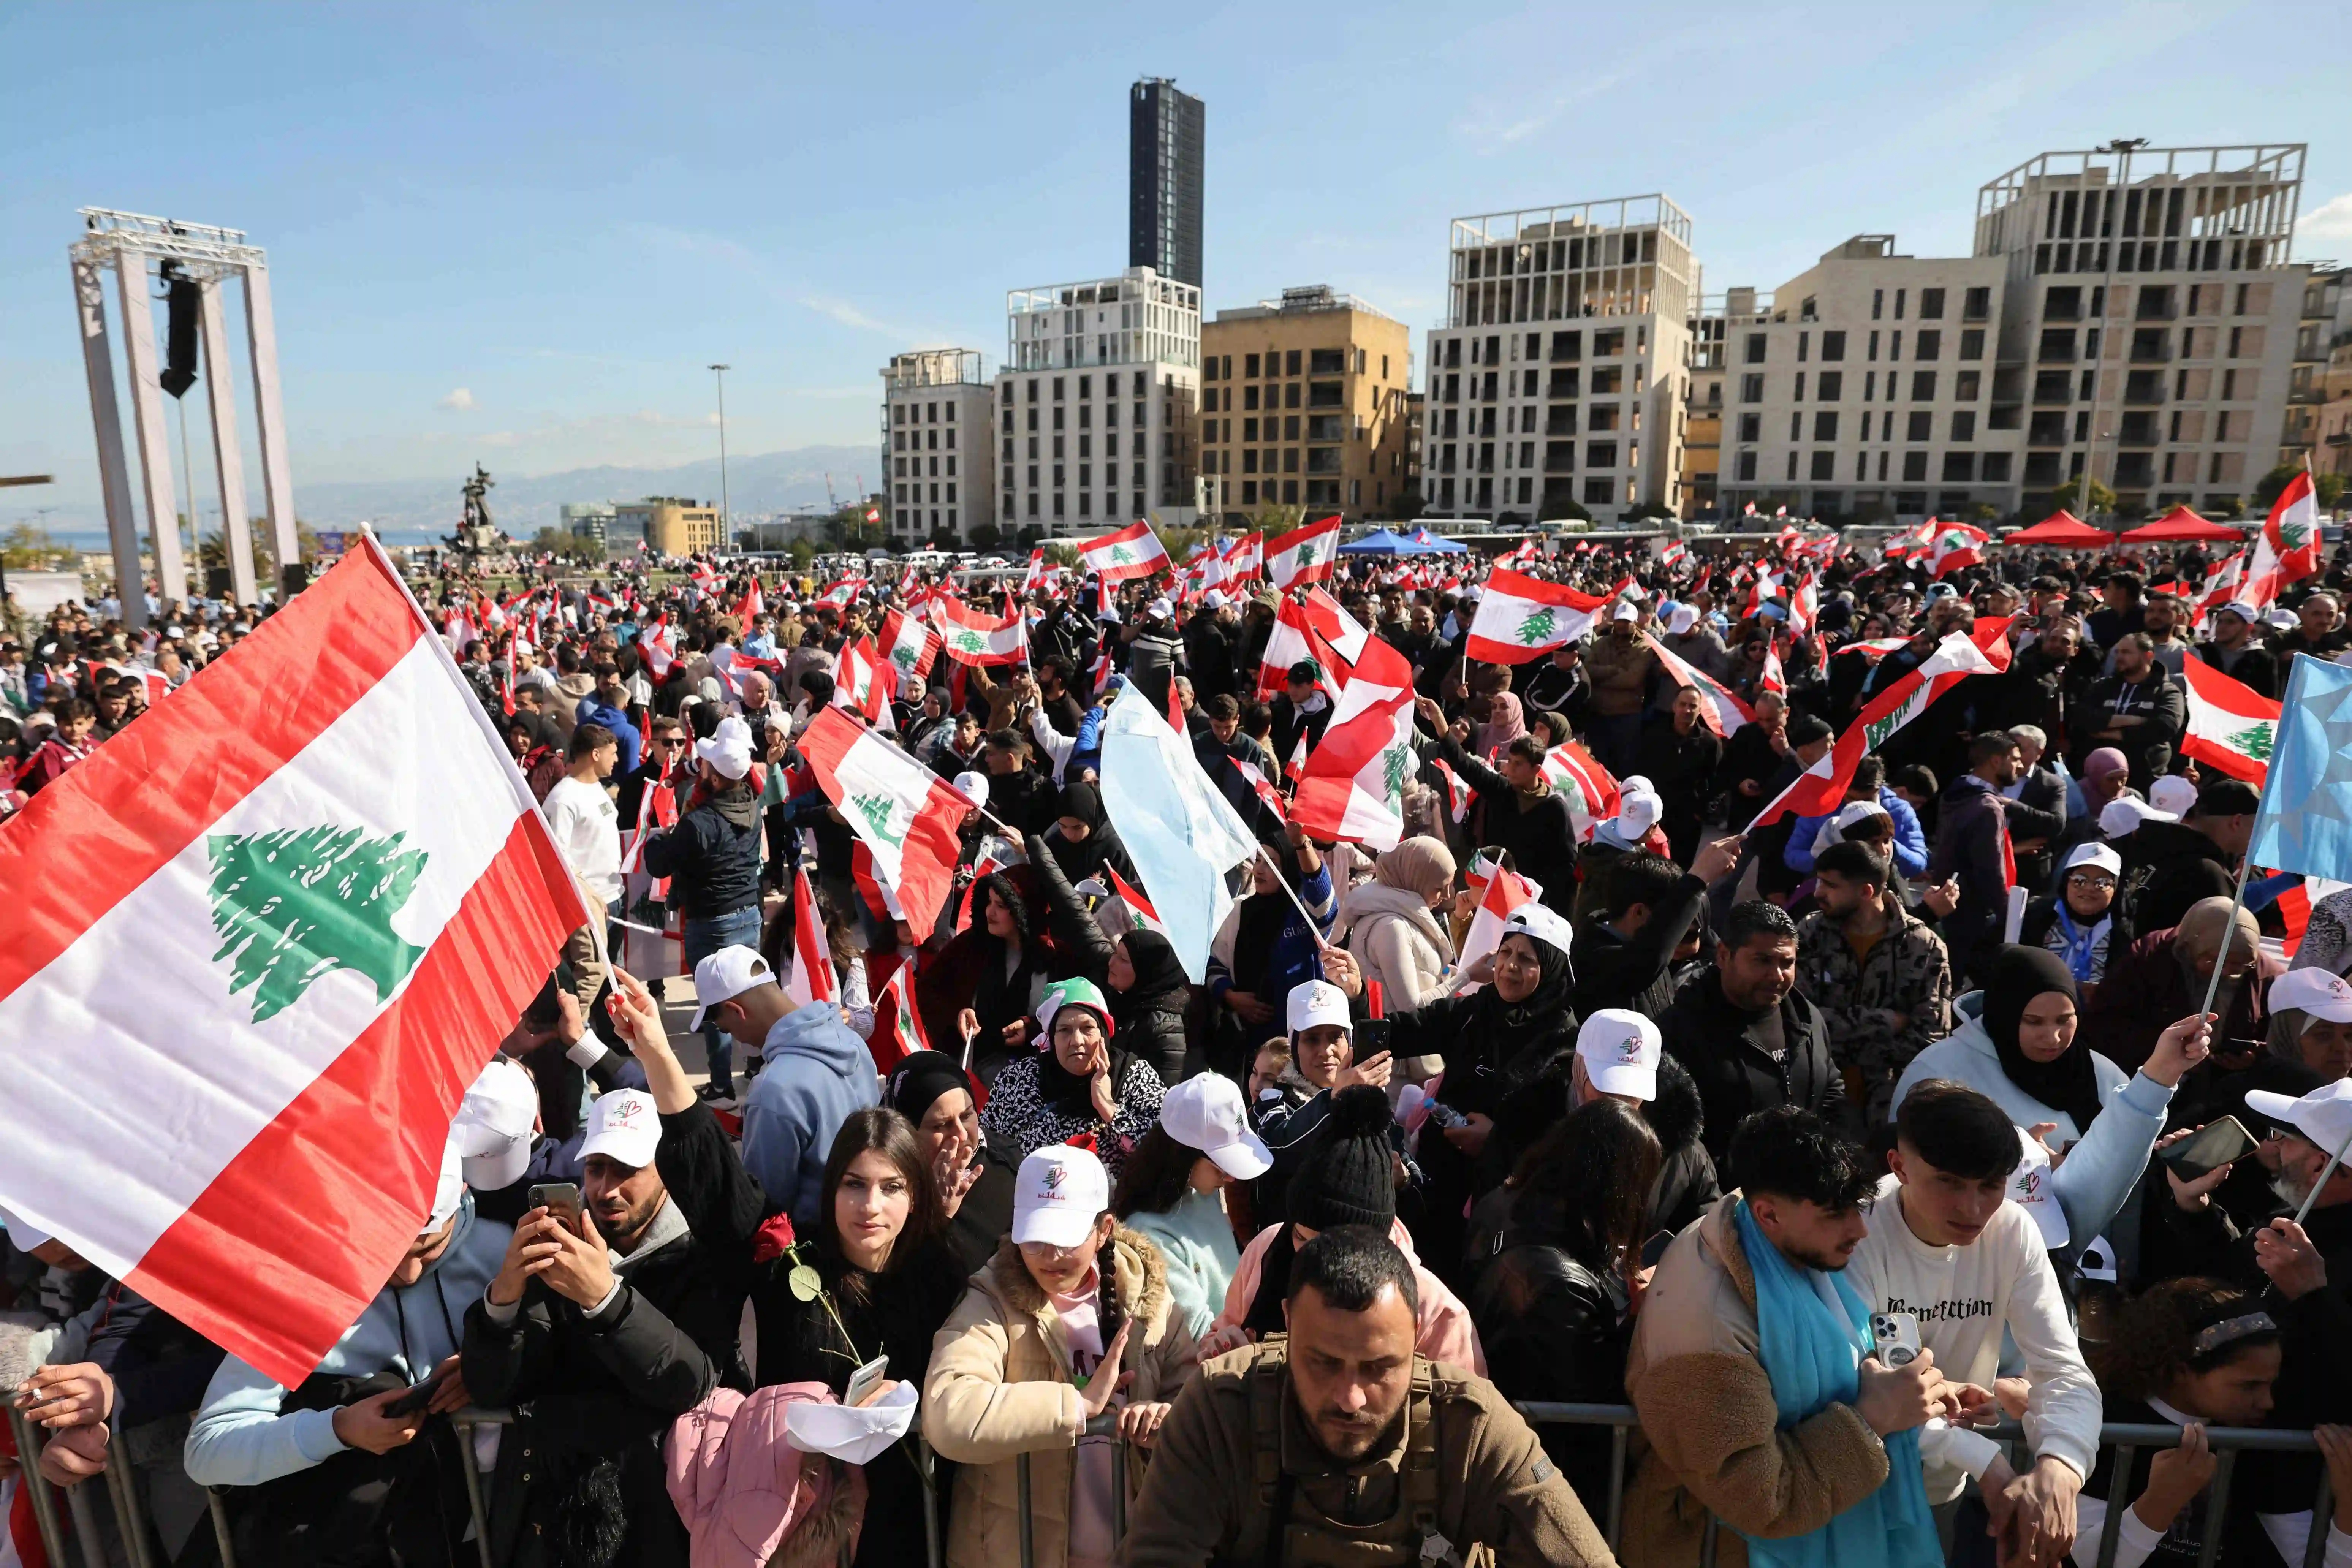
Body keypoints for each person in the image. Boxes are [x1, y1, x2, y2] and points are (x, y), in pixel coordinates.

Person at [1119, 1226, 1615, 1568]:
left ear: (1416, 1334)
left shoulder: (1470, 1423)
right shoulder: (1221, 1408)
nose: (1350, 1398)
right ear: (1288, 1322)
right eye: (1324, 1361)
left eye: (1380, 1367)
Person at [1623, 1106, 1951, 1568]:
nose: (1859, 1229)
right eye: (1836, 1214)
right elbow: (1761, 1499)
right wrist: (1873, 1416)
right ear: (1768, 1214)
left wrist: (1927, 1393)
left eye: (1859, 1208)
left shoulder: (1766, 1236)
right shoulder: (1706, 1328)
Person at [184, 1148, 510, 1562]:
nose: (407, 1273)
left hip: (473, 1538)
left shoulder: (502, 1253)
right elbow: (207, 1450)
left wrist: (489, 1360)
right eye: (386, 1250)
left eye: (428, 1249)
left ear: (462, 1196)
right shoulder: (304, 1285)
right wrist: (337, 1429)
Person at [461, 1087, 723, 1568]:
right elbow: (495, 1387)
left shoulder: (700, 1253)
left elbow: (692, 1383)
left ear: (665, 1170)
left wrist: (605, 1300)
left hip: (662, 1518)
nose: (606, 1189)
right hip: (557, 1516)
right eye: (596, 1168)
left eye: (627, 1170)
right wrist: (503, 1301)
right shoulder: (560, 1246)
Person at [1847, 1082, 2099, 1557]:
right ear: (1899, 1165)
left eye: (1990, 1184)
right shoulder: (1858, 1227)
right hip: (1850, 1487)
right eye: (1948, 1182)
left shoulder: (2012, 1228)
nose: (1974, 1207)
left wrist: (2061, 1466)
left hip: (1940, 1490)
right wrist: (1986, 1462)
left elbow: (2063, 1369)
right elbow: (1866, 1382)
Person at [924, 1142, 1202, 1568]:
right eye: (1035, 1238)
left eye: (1066, 1239)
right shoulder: (992, 1299)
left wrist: (1162, 1421)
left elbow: (1193, 1404)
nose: (1049, 1255)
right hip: (1018, 1550)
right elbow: (948, 1410)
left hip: (1133, 1548)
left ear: (1104, 1229)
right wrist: (1077, 1405)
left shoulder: (1151, 1299)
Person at [1897, 941, 2214, 1255]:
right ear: (2004, 1014)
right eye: (2033, 1021)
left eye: (2065, 1019)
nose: (2053, 1037)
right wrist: (2027, 1169)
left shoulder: (2103, 1074)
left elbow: (2126, 1170)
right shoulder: (1940, 1072)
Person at [1464, 1096, 1659, 1505]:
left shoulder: (1503, 1201)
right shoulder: (1561, 1285)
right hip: (1548, 1477)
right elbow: (1596, 1394)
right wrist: (1642, 1315)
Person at [1215, 1083, 1485, 1374]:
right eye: (1302, 1238)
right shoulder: (1268, 1248)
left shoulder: (1435, 1312)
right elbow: (1223, 1330)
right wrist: (1222, 1352)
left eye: (1339, 1248)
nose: (1316, 1259)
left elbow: (1462, 1411)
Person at [1386, 903, 1581, 1271]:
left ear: (1552, 968)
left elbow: (1559, 1137)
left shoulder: (1565, 1042)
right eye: (1506, 952)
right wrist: (1349, 1012)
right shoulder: (1477, 1009)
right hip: (1435, 1188)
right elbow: (1407, 1029)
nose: (1510, 966)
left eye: (1526, 959)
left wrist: (1495, 1143)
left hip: (1502, 1210)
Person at [2071, 1277, 2317, 1567]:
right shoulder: (2106, 1421)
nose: (2267, 1402)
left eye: (2270, 1385)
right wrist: (2162, 1500)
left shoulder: (2263, 1436)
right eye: (2249, 1386)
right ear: (2180, 1370)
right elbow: (2085, 1560)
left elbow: (2308, 1561)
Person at [688, 946, 881, 1226]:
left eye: (727, 1030)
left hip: (811, 1250)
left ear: (736, 1011)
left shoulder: (772, 1090)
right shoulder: (851, 1041)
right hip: (866, 1224)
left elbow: (763, 1203)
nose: (737, 1042)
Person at [1658, 900, 1847, 1169]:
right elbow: (1679, 1143)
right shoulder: (1679, 1032)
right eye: (1762, 961)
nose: (1777, 975)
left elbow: (1831, 1092)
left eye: (1787, 962)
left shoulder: (1807, 1019)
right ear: (1723, 955)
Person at [642, 715, 764, 1105]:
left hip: (714, 922)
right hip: (749, 914)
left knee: (718, 1006)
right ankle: (757, 1066)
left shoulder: (700, 822)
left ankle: (720, 1084)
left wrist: (655, 836)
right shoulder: (752, 804)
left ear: (713, 773)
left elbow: (659, 863)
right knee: (752, 997)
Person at [1796, 839, 1953, 1127]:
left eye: (1830, 885)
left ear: (1866, 892)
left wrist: (1849, 1038)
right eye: (1819, 882)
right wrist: (1886, 1022)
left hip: (1892, 1105)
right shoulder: (1809, 933)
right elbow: (1799, 1019)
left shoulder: (1924, 947)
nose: (1818, 893)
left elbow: (1930, 1038)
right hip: (1817, 1094)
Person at [1113, 1074, 1269, 1337]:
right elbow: (1196, 1331)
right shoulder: (1148, 1231)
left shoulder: (1203, 1193)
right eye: (1221, 1168)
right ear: (1182, 1156)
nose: (1230, 1178)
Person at [981, 977, 1167, 1180]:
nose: (1077, 1041)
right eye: (1065, 1031)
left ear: (1103, 1033)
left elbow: (1163, 1153)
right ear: (1051, 1037)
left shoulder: (1134, 1077)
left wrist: (1108, 1108)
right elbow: (987, 1147)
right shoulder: (1019, 1079)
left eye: (1088, 1028)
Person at [2081, 896, 2277, 1076]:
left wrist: (2254, 1056)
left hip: (2226, 1084)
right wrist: (2171, 1050)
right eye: (2215, 962)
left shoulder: (2265, 974)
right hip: (2148, 1075)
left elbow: (2283, 1038)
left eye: (2239, 966)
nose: (2226, 972)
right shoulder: (2149, 958)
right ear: (2191, 948)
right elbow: (2106, 1024)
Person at [886, 1048, 1020, 1274]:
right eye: (940, 1125)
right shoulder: (885, 1183)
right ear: (908, 1132)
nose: (962, 1134)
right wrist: (936, 1215)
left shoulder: (1007, 1158)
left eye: (967, 1116)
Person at [1570, 839, 1735, 1019]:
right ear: (1639, 911)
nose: (1675, 929)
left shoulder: (1645, 942)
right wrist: (1698, 879)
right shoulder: (1595, 956)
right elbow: (1648, 959)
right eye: (1667, 915)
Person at [1334, 835, 1459, 1014]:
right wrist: (1465, 978)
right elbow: (1410, 1008)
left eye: (1450, 885)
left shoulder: (1405, 915)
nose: (1447, 895)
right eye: (1439, 888)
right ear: (1415, 880)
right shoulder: (1391, 927)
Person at [2126, 777, 2257, 937]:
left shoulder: (2150, 847)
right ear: (2236, 822)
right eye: (2258, 824)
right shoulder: (2205, 873)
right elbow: (2230, 945)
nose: (2260, 834)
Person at [2075, 633, 2186, 791]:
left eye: (2126, 653)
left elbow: (2165, 727)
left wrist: (2112, 734)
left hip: (2145, 777)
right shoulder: (2102, 687)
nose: (2119, 657)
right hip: (2098, 780)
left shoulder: (2167, 692)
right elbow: (2082, 716)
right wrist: (2134, 721)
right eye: (2118, 652)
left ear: (2148, 656)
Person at [2020, 843, 2126, 995]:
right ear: (2066, 883)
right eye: (2080, 880)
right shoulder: (2031, 916)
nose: (2089, 888)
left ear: (2115, 890)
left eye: (2102, 883)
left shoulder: (2122, 934)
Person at [1637, 684, 1725, 865]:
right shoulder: (1653, 736)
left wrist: (1702, 812)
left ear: (1700, 710)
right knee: (1650, 865)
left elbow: (1719, 782)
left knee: (1681, 868)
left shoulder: (1710, 743)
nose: (1687, 710)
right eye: (1683, 704)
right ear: (1674, 706)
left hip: (1689, 818)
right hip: (1656, 814)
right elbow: (1638, 770)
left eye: (1693, 706)